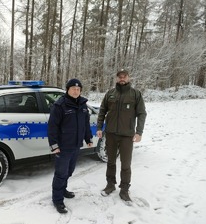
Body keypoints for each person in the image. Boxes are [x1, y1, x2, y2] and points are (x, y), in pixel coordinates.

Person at [96, 69, 147, 202]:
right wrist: (99, 127)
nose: (122, 78)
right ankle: (110, 185)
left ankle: (124, 189)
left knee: (126, 164)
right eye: (120, 77)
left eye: (124, 76)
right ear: (116, 79)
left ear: (128, 78)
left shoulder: (135, 94)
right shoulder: (110, 94)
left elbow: (142, 113)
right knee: (110, 161)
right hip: (111, 134)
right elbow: (102, 111)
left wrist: (139, 132)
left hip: (127, 136)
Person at [48, 78, 93, 213]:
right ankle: (57, 200)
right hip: (63, 146)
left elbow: (86, 124)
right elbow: (52, 127)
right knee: (61, 173)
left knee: (69, 171)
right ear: (67, 90)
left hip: (76, 145)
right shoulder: (60, 105)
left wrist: (88, 138)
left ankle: (63, 189)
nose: (76, 91)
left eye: (78, 89)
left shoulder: (83, 105)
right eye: (73, 89)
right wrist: (54, 145)